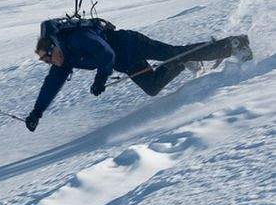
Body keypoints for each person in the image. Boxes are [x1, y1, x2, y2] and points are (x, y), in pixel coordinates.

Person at [25, 25, 252, 132]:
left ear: (54, 48)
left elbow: (106, 55)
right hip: (126, 63)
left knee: (174, 52)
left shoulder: (78, 38)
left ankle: (233, 44)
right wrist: (37, 112)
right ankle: (183, 63)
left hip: (132, 44)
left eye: (46, 58)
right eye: (45, 62)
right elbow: (51, 84)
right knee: (153, 86)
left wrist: (100, 80)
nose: (48, 63)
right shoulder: (63, 61)